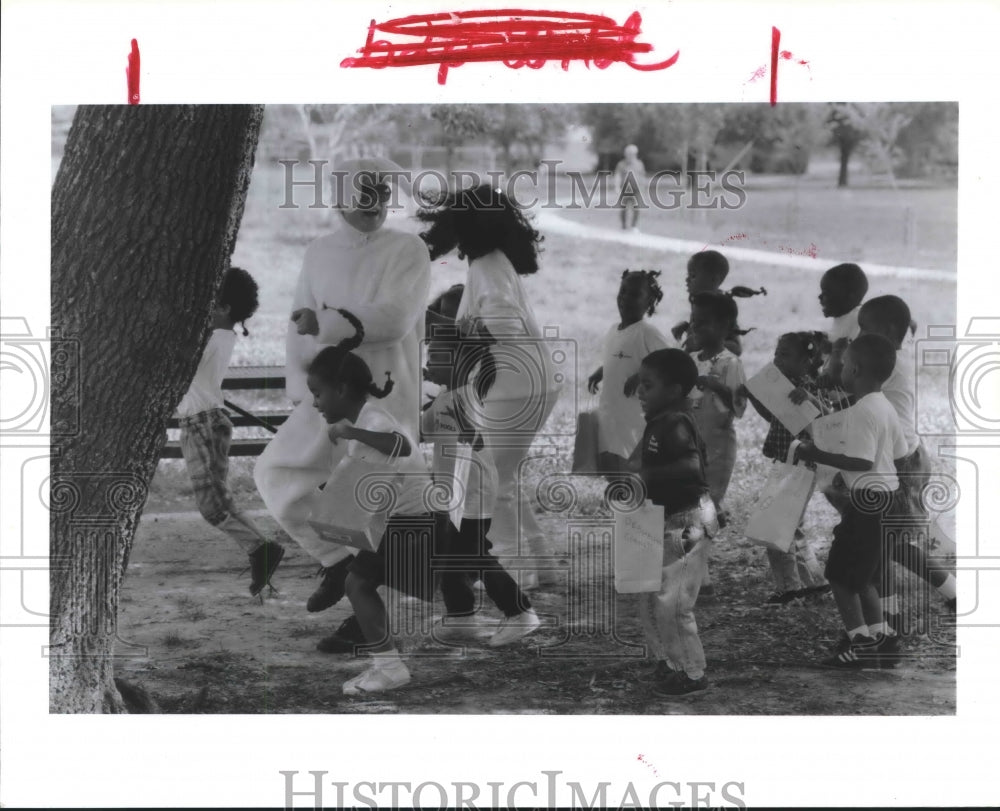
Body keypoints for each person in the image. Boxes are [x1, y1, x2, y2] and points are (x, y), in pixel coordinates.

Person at [253, 158, 430, 642]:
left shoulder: (409, 249)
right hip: (327, 394)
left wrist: (330, 323)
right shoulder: (319, 251)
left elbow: (395, 317)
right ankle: (335, 559)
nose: (374, 203)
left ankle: (365, 617)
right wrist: (300, 387)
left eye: (382, 193)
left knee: (375, 502)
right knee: (275, 472)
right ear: (341, 198)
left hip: (385, 395)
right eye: (364, 193)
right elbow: (299, 319)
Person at [417, 184, 562, 589]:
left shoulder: (486, 266)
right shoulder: (491, 261)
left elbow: (504, 325)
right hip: (528, 383)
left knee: (491, 480)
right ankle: (541, 565)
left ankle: (510, 574)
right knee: (504, 477)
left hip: (517, 387)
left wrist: (449, 331)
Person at [305, 325, 437, 694]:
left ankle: (390, 668)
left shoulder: (373, 420)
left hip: (413, 523)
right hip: (407, 521)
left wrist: (351, 434)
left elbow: (400, 447)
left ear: (343, 389)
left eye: (318, 394)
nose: (316, 403)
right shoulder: (369, 417)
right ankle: (386, 664)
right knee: (358, 581)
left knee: (357, 583)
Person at [794, 333, 909, 668]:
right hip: (888, 498)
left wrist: (815, 452)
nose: (840, 370)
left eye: (843, 365)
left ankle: (860, 643)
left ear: (855, 370)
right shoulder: (884, 405)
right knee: (865, 578)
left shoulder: (862, 411)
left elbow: (859, 461)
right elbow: (899, 452)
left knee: (840, 577)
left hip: (867, 503)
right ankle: (884, 639)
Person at [422, 322, 540, 646]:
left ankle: (520, 612)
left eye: (435, 356)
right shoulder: (445, 399)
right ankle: (461, 617)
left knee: (474, 554)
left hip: (472, 493)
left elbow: (470, 438)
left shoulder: (466, 399)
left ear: (458, 361)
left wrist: (468, 435)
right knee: (447, 552)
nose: (427, 363)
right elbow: (420, 429)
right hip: (453, 493)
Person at [176, 267, 285, 597]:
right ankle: (262, 551)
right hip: (208, 420)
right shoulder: (222, 336)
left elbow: (182, 365)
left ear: (223, 308)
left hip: (201, 423)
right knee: (222, 501)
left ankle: (260, 549)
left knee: (213, 507)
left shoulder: (212, 337)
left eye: (209, 302)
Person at [857, 295, 957, 620]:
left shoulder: (886, 365)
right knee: (888, 545)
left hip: (899, 465)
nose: (859, 338)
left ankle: (889, 620)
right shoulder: (891, 359)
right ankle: (895, 615)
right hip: (902, 459)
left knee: (885, 546)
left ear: (886, 330)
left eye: (865, 331)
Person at [627, 348, 718, 695]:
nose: (640, 391)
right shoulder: (660, 421)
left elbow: (690, 468)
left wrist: (643, 478)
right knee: (655, 598)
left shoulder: (676, 422)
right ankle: (671, 661)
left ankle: (693, 673)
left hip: (688, 521)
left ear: (675, 390)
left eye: (647, 385)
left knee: (674, 602)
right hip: (669, 519)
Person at [743, 332, 831, 605]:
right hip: (786, 462)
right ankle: (814, 582)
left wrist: (809, 398)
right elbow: (773, 417)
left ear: (806, 360)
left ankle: (790, 587)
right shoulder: (784, 386)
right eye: (776, 353)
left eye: (785, 354)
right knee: (790, 524)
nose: (776, 359)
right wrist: (754, 395)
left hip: (802, 463)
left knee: (778, 525)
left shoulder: (808, 386)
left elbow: (827, 417)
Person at [587, 269, 671, 476]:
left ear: (649, 302)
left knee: (628, 463)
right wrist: (602, 371)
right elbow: (619, 358)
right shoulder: (614, 329)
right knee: (608, 459)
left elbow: (668, 361)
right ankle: (618, 499)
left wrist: (642, 375)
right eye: (622, 292)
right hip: (611, 409)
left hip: (633, 415)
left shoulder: (647, 332)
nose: (625, 298)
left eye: (634, 294)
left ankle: (632, 501)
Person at [686, 292, 747, 533]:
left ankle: (699, 544)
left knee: (708, 498)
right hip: (688, 442)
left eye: (702, 322)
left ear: (724, 326)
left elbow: (739, 406)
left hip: (716, 446)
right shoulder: (690, 358)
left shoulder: (730, 363)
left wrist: (717, 387)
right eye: (693, 321)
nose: (695, 327)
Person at [671, 250, 766, 356]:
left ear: (713, 280)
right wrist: (685, 326)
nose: (686, 280)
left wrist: (703, 344)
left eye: (693, 276)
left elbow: (736, 348)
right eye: (688, 275)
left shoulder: (722, 305)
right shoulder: (696, 300)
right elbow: (702, 326)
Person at [819, 262, 868, 345]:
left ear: (850, 297)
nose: (820, 297)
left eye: (826, 293)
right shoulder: (845, 315)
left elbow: (848, 352)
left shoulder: (857, 320)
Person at [614, 144, 646, 232]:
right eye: (628, 153)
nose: (630, 155)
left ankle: (634, 226)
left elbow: (642, 176)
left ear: (635, 154)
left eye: (632, 154)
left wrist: (643, 187)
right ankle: (624, 226)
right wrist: (617, 187)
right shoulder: (621, 164)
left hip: (636, 190)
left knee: (637, 208)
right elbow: (617, 176)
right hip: (625, 190)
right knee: (623, 208)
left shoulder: (639, 164)